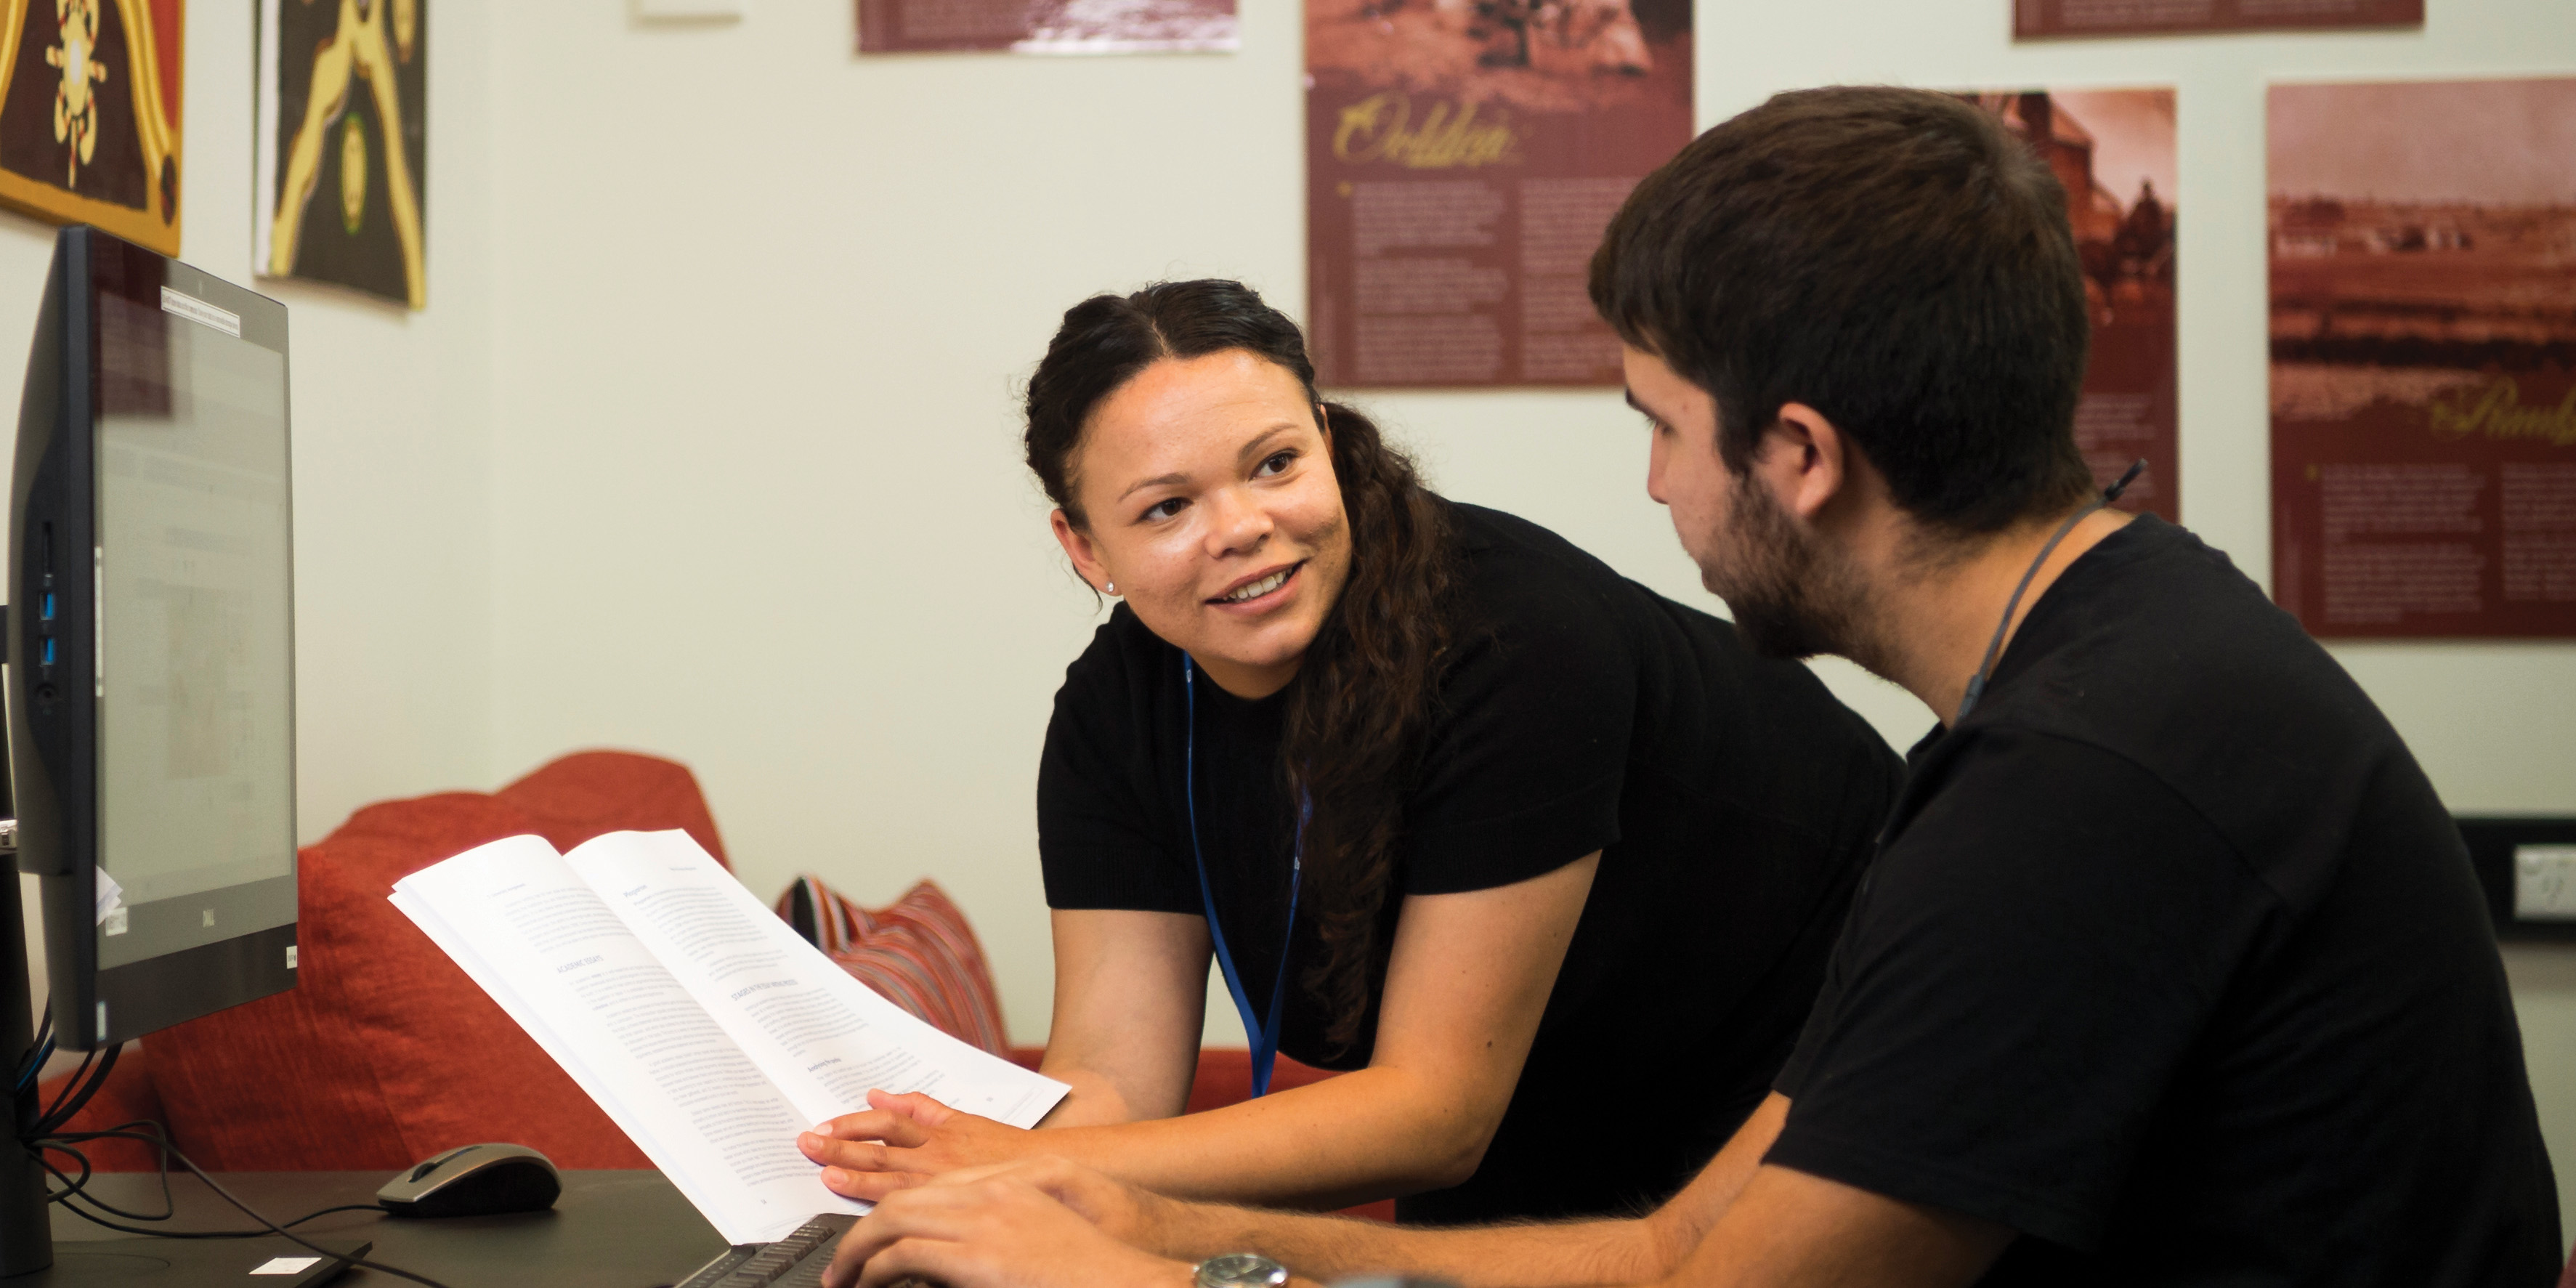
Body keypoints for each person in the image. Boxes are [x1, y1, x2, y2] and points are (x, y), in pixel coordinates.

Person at [816, 86, 2561, 1287]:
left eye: (1657, 423)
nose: (1652, 491)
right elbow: (1678, 1254)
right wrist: (1138, 1218)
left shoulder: (2077, 794)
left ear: (1797, 453)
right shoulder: (2099, 679)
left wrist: (1162, 1259)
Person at [795, 279, 1905, 1226]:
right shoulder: (1112, 713)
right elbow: (1115, 1081)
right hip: (1538, 1109)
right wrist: (920, 1158)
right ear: (1082, 544)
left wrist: (1028, 1165)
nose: (1239, 526)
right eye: (1167, 506)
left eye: (1274, 463)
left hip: (1827, 1064)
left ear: (1327, 440)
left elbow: (1432, 1111)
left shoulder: (1515, 640)